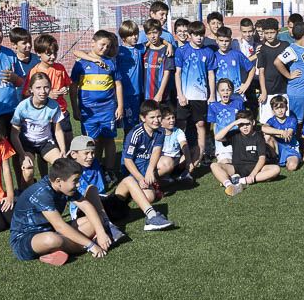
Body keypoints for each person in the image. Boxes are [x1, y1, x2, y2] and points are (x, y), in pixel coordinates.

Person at [9, 158, 112, 266]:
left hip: (52, 230)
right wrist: (91, 245)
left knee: (95, 221)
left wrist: (100, 232)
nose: (78, 185)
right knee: (52, 240)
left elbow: (86, 206)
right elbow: (60, 226)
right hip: (24, 240)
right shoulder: (42, 193)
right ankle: (79, 245)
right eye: (75, 181)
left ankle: (54, 251)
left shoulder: (65, 187)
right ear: (58, 181)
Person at [115, 100, 176, 231]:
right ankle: (150, 212)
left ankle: (151, 185)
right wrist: (139, 178)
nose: (156, 120)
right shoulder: (135, 134)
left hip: (146, 168)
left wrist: (150, 170)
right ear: (143, 118)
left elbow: (156, 151)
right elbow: (127, 160)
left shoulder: (160, 131)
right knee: (149, 197)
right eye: (152, 117)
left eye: (159, 116)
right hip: (132, 173)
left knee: (168, 163)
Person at [69, 30, 123, 176]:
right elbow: (73, 87)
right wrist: (75, 108)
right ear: (93, 43)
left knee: (109, 139)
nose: (105, 48)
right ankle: (94, 169)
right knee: (91, 142)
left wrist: (120, 106)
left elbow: (118, 85)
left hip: (107, 109)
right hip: (88, 111)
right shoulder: (81, 64)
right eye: (102, 45)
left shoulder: (111, 63)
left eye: (108, 46)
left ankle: (110, 171)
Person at [10, 73, 67, 185]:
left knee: (62, 166)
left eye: (46, 87)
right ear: (31, 89)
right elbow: (14, 134)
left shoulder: (54, 106)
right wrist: (23, 155)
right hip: (27, 143)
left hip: (45, 142)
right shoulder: (23, 106)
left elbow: (58, 130)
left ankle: (54, 194)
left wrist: (63, 150)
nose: (43, 91)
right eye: (38, 88)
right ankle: (27, 194)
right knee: (28, 171)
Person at [210, 109, 280, 194]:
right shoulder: (234, 134)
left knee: (276, 169)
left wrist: (252, 175)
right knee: (214, 165)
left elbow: (262, 158)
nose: (245, 127)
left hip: (255, 168)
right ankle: (229, 185)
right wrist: (233, 124)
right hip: (236, 168)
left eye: (247, 124)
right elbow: (217, 137)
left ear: (253, 123)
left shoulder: (258, 137)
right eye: (241, 124)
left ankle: (241, 181)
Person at [175, 21, 214, 166]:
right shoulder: (182, 51)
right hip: (185, 96)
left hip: (201, 96)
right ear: (190, 35)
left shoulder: (208, 52)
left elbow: (211, 74)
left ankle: (199, 156)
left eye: (201, 35)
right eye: (196, 35)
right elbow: (177, 74)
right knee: (180, 125)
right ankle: (178, 154)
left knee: (201, 124)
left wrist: (211, 95)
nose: (199, 38)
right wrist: (180, 94)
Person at [27, 33, 73, 150]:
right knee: (45, 147)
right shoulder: (34, 71)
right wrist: (47, 94)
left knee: (67, 143)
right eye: (48, 54)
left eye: (55, 53)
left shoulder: (60, 68)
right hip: (43, 115)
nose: (53, 56)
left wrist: (65, 89)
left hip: (61, 112)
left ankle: (69, 166)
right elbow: (27, 93)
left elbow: (68, 84)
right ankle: (46, 169)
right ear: (38, 53)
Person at [274, 21, 304, 122]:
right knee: (296, 120)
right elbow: (277, 62)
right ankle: (294, 137)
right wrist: (289, 75)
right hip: (298, 92)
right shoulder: (292, 49)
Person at [114, 21, 144, 134]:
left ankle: (137, 147)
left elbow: (151, 43)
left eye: (136, 33)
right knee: (128, 124)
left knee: (137, 122)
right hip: (124, 93)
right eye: (131, 35)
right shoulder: (119, 51)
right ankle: (128, 148)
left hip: (138, 93)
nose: (135, 37)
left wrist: (168, 44)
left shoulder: (140, 49)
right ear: (123, 38)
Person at [207, 78, 245, 166]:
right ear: (218, 92)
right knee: (225, 163)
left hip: (238, 141)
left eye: (228, 90)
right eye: (222, 90)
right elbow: (213, 127)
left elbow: (243, 122)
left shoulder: (239, 103)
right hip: (222, 141)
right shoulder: (213, 106)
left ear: (232, 91)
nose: (225, 92)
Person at [256, 18, 288, 123]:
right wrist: (263, 91)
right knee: (267, 122)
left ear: (277, 31)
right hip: (268, 91)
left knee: (284, 120)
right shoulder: (262, 49)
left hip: (284, 90)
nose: (269, 35)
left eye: (272, 32)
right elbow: (261, 72)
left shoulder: (285, 45)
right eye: (267, 33)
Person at [211, 26, 255, 98]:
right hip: (220, 96)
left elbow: (252, 68)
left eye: (226, 41)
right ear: (217, 40)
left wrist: (246, 84)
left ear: (231, 40)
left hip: (236, 94)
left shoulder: (237, 54)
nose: (224, 43)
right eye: (221, 41)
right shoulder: (213, 56)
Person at [264, 95, 302, 172]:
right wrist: (281, 132)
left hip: (290, 148)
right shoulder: (271, 120)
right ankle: (274, 159)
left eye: (282, 107)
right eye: (277, 108)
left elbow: (288, 135)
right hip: (276, 147)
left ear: (286, 108)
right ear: (273, 110)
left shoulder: (292, 120)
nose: (280, 110)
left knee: (292, 167)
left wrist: (273, 132)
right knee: (267, 136)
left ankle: (290, 159)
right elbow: (263, 128)